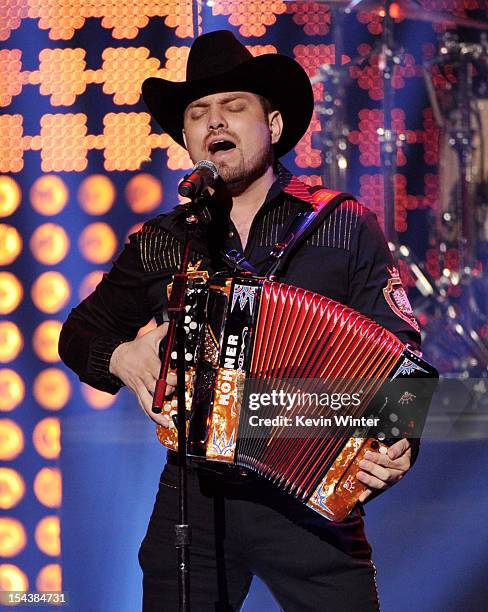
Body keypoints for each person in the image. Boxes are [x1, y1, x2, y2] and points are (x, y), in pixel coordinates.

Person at [59, 30, 422, 612]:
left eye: (233, 107)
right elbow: (77, 333)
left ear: (273, 126)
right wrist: (122, 358)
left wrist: (399, 440)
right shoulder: (164, 241)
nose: (213, 122)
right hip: (194, 501)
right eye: (198, 114)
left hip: (314, 498)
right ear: (187, 139)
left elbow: (401, 350)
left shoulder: (342, 224)